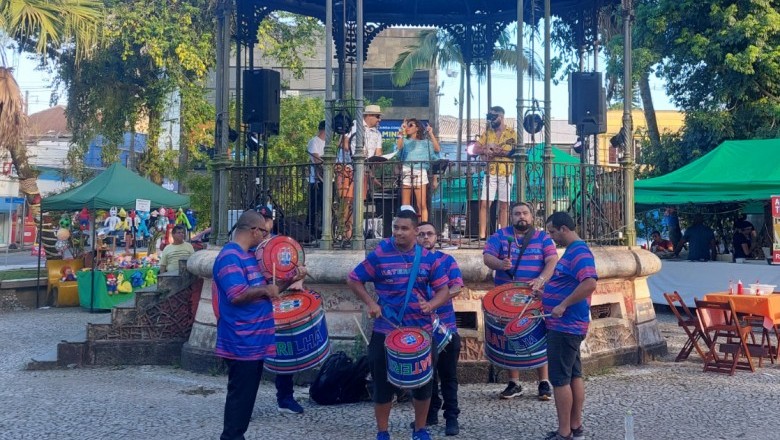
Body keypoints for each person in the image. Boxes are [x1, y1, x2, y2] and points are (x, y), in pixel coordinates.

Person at [346, 209, 451, 440]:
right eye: (395, 228)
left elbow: (444, 290)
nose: (398, 233)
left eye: (404, 228)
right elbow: (353, 279)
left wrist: (432, 304)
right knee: (382, 383)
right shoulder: (380, 255)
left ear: (416, 231)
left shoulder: (429, 258)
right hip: (386, 330)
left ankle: (420, 429)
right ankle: (382, 432)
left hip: (421, 331)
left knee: (424, 383)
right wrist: (371, 303)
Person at [213, 209, 305, 440]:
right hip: (241, 341)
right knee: (239, 400)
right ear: (254, 230)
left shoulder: (249, 256)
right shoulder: (230, 256)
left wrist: (290, 279)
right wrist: (265, 289)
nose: (266, 237)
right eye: (264, 232)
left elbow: (267, 292)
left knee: (245, 401)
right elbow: (236, 294)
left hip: (255, 341)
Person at [482, 201, 558, 401]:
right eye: (517, 213)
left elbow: (552, 261)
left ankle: (543, 382)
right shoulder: (500, 236)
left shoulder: (543, 238)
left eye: (525, 213)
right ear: (511, 217)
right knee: (510, 337)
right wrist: (501, 263)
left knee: (538, 336)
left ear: (532, 217)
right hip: (507, 297)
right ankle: (514, 383)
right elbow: (488, 257)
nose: (521, 216)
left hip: (535, 296)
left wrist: (541, 279)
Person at [541, 212, 598, 440]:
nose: (552, 237)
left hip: (565, 326)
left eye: (553, 232)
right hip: (566, 325)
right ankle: (575, 426)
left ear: (564, 229)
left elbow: (590, 283)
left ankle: (564, 432)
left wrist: (562, 305)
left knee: (559, 379)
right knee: (574, 375)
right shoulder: (573, 251)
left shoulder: (580, 252)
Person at [252, 207, 305, 414]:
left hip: (281, 302)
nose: (265, 223)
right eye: (261, 219)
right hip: (256, 304)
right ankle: (244, 404)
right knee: (252, 358)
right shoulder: (249, 247)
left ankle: (285, 397)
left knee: (285, 351)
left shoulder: (283, 245)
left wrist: (300, 274)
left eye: (268, 219)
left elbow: (295, 267)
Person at [415, 221, 463, 436]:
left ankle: (451, 417)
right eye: (422, 234)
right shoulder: (411, 261)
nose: (426, 237)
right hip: (420, 327)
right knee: (426, 374)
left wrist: (434, 301)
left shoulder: (446, 260)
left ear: (436, 237)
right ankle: (430, 413)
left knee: (449, 375)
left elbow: (457, 286)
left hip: (446, 327)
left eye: (430, 234)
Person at [337, 104, 384, 241]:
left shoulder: (377, 133)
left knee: (359, 201)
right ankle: (347, 233)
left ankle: (356, 232)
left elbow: (378, 153)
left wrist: (377, 162)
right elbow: (343, 144)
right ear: (368, 116)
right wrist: (358, 153)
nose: (379, 119)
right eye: (377, 116)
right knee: (347, 200)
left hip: (363, 170)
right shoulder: (353, 126)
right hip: (348, 168)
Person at [472, 106, 517, 239]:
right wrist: (486, 149)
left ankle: (502, 234)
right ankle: (482, 235)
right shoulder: (488, 133)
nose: (491, 119)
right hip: (490, 171)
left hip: (506, 171)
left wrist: (501, 152)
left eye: (493, 116)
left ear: (501, 117)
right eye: (489, 116)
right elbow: (474, 149)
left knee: (504, 205)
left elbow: (517, 151)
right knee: (485, 203)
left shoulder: (511, 133)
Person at [396, 118, 441, 222]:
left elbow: (437, 150)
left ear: (417, 128)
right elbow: (398, 148)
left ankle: (423, 225)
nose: (407, 127)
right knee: (405, 204)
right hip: (407, 169)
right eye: (406, 125)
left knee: (421, 204)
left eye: (410, 125)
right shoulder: (405, 141)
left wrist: (431, 133)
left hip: (420, 170)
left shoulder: (426, 143)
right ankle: (406, 225)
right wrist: (401, 132)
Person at [306, 120, 326, 240]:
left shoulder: (327, 143)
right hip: (317, 181)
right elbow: (317, 160)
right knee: (314, 207)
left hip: (327, 180)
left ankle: (322, 230)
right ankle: (312, 231)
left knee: (324, 207)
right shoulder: (314, 141)